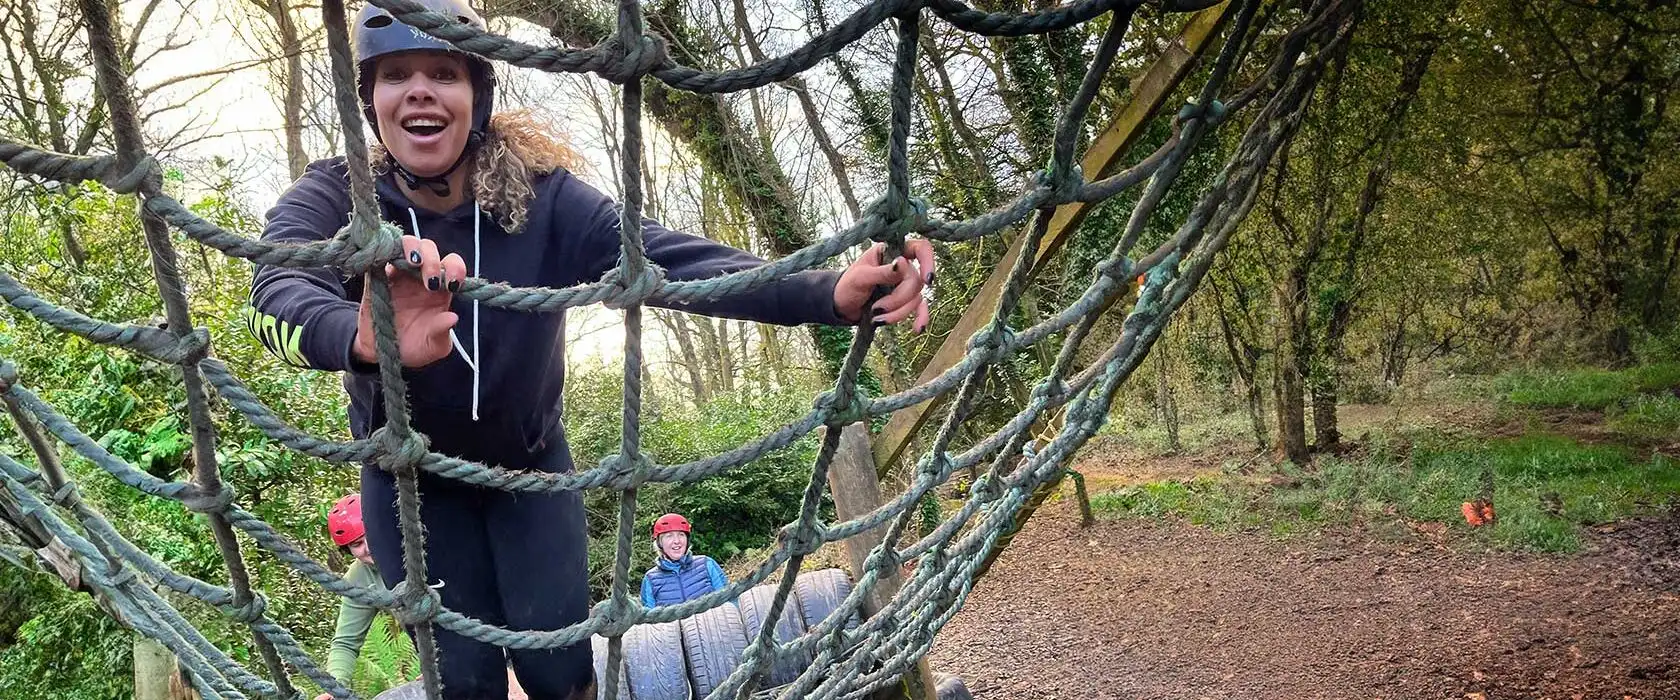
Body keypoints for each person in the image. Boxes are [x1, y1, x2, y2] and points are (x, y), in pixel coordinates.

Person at [246, 0, 934, 697]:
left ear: (476, 95)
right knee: (463, 685)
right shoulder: (338, 197)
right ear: (371, 99)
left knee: (562, 674)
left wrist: (825, 293)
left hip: (532, 473)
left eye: (443, 73)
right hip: (411, 487)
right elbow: (274, 292)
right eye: (395, 75)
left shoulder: (541, 199)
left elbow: (668, 262)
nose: (420, 90)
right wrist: (359, 339)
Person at [318, 493, 390, 700]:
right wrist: (334, 687)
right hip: (433, 666)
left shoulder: (428, 548)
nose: (368, 548)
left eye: (371, 534)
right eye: (357, 544)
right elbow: (345, 643)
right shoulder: (360, 577)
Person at [639, 513, 727, 608]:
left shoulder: (707, 564)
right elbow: (648, 619)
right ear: (660, 543)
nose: (677, 541)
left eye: (681, 535)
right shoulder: (650, 579)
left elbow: (728, 601)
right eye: (669, 536)